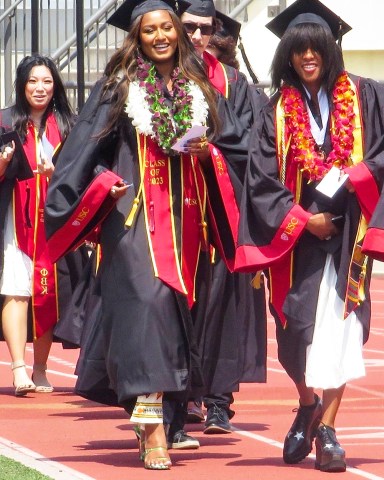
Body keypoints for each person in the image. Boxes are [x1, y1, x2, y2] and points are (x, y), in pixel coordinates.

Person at [44, 0, 244, 470]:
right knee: (147, 310)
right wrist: (96, 189)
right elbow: (85, 148)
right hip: (133, 220)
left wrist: (205, 152)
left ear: (177, 33)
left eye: (166, 28)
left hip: (186, 221)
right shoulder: (119, 86)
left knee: (174, 319)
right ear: (138, 37)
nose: (160, 36)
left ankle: (159, 412)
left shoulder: (199, 88)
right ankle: (152, 427)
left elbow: (234, 149)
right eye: (149, 29)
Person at [235, 0, 384, 472]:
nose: (307, 57)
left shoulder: (366, 96)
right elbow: (260, 178)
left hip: (348, 237)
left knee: (341, 332)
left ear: (330, 49)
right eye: (298, 49)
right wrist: (302, 218)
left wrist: (360, 175)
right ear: (288, 56)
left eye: (315, 47)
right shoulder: (275, 110)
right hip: (298, 240)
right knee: (294, 334)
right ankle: (306, 401)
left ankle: (328, 430)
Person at [163, 0, 268, 445]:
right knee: (178, 307)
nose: (198, 36)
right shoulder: (157, 78)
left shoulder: (235, 83)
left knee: (224, 306)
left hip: (221, 212)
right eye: (190, 27)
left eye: (206, 29)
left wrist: (213, 154)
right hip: (171, 211)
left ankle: (219, 403)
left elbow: (252, 144)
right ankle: (180, 394)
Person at [0, 54, 79, 396]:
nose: (40, 87)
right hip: (14, 220)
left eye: (46, 81)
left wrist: (56, 174)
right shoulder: (4, 123)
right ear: (21, 85)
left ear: (55, 86)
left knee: (47, 291)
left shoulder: (67, 126)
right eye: (33, 81)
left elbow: (80, 173)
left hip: (54, 222)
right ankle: (19, 368)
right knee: (16, 290)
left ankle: (41, 368)